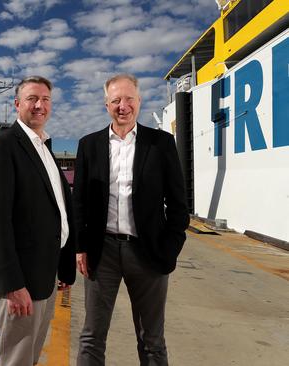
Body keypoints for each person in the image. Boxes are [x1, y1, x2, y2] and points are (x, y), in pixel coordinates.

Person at [73, 74, 189, 366]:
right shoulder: (89, 145)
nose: (122, 106)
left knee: (152, 340)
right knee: (91, 337)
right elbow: (80, 203)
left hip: (148, 252)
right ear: (106, 104)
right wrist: (80, 246)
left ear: (139, 101)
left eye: (128, 99)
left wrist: (169, 249)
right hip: (104, 253)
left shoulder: (161, 143)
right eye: (115, 100)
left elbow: (178, 204)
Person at [0, 75, 76, 366]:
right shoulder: (3, 146)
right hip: (20, 282)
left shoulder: (44, 148)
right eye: (32, 99)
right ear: (17, 104)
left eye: (45, 100)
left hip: (44, 275)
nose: (39, 105)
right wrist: (12, 284)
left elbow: (56, 209)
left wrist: (63, 267)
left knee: (29, 357)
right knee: (14, 359)